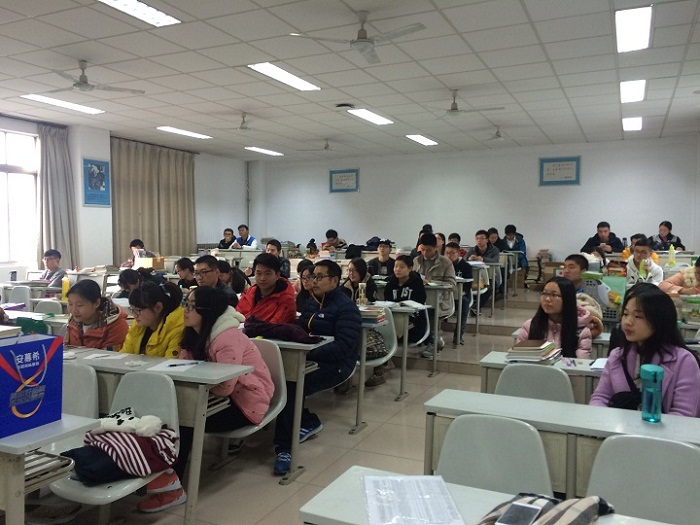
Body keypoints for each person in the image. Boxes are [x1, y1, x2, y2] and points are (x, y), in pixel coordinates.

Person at [138, 286, 274, 513]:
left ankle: (173, 488)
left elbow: (226, 386)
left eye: (192, 306)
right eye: (186, 304)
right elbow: (184, 367)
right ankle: (159, 477)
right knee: (165, 415)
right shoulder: (193, 332)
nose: (185, 310)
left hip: (246, 402)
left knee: (183, 423)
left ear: (208, 311)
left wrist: (197, 388)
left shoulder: (227, 338)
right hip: (217, 397)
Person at [273, 260, 362, 476]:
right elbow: (300, 330)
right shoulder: (312, 303)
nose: (314, 281)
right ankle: (307, 420)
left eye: (320, 277)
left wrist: (308, 352)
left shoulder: (346, 307)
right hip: (309, 358)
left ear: (334, 280)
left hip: (337, 364)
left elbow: (344, 347)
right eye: (313, 276)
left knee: (292, 385)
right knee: (278, 378)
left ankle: (285, 449)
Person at [590, 283, 700, 417]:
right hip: (619, 428)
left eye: (638, 316)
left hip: (665, 430)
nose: (628, 322)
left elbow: (683, 414)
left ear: (659, 320)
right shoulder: (618, 355)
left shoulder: (684, 361)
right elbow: (600, 397)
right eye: (626, 314)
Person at [516, 277, 592, 359]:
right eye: (544, 293)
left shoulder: (581, 332)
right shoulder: (530, 326)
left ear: (567, 299)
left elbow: (580, 364)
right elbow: (519, 358)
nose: (547, 299)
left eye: (554, 295)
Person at [413, 232, 456, 358]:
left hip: (440, 301)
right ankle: (432, 340)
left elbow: (452, 284)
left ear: (435, 248)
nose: (425, 253)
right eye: (422, 250)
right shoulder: (416, 261)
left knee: (428, 314)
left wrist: (431, 282)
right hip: (420, 299)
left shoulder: (445, 262)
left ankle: (432, 342)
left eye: (428, 250)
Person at [120, 281, 184, 357]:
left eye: (138, 310)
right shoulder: (137, 326)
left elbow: (170, 362)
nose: (135, 315)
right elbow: (125, 356)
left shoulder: (177, 328)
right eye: (132, 310)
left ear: (158, 307)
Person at [64, 280, 129, 350]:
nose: (73, 310)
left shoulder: (116, 325)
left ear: (97, 303)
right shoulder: (73, 321)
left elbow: (111, 355)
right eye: (70, 304)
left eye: (80, 305)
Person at [236, 253, 296, 323]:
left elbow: (274, 326)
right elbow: (236, 313)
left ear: (277, 275)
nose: (262, 278)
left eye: (268, 274)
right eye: (259, 273)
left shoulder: (286, 301)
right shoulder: (251, 292)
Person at [384, 255, 427, 343]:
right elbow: (387, 301)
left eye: (401, 267)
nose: (397, 269)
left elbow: (419, 302)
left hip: (413, 320)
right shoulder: (390, 284)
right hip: (394, 317)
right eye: (395, 266)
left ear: (410, 268)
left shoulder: (417, 284)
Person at [445, 242, 472, 346]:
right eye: (447, 253)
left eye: (453, 253)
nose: (449, 256)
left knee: (464, 304)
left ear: (458, 253)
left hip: (460, 296)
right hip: (444, 295)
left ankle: (458, 336)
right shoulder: (442, 265)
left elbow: (468, 286)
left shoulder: (465, 266)